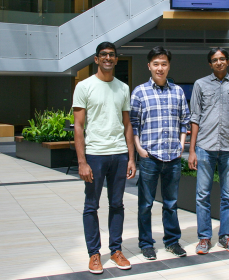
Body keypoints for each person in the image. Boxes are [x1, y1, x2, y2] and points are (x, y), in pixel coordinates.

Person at [72, 41, 136, 274]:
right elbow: (78, 126)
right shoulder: (84, 86)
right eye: (103, 55)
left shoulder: (123, 88)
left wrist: (131, 158)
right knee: (91, 206)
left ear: (116, 59)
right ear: (96, 59)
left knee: (117, 204)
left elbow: (127, 124)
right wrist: (82, 161)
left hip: (119, 154)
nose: (108, 58)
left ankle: (116, 250)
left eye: (112, 55)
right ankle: (94, 254)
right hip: (95, 155)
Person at [130, 46, 191, 260]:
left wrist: (181, 144)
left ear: (168, 66)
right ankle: (146, 243)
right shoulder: (139, 92)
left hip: (173, 156)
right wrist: (139, 148)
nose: (160, 67)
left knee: (171, 203)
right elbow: (133, 124)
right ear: (149, 66)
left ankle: (172, 241)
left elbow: (185, 120)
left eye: (164, 63)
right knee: (145, 204)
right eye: (156, 63)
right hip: (149, 157)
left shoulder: (178, 91)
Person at [188, 47, 229, 254]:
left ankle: (225, 235)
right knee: (202, 195)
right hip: (205, 146)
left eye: (222, 59)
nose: (219, 62)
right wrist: (192, 150)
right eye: (215, 59)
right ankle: (204, 238)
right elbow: (194, 117)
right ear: (210, 63)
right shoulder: (200, 84)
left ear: (228, 61)